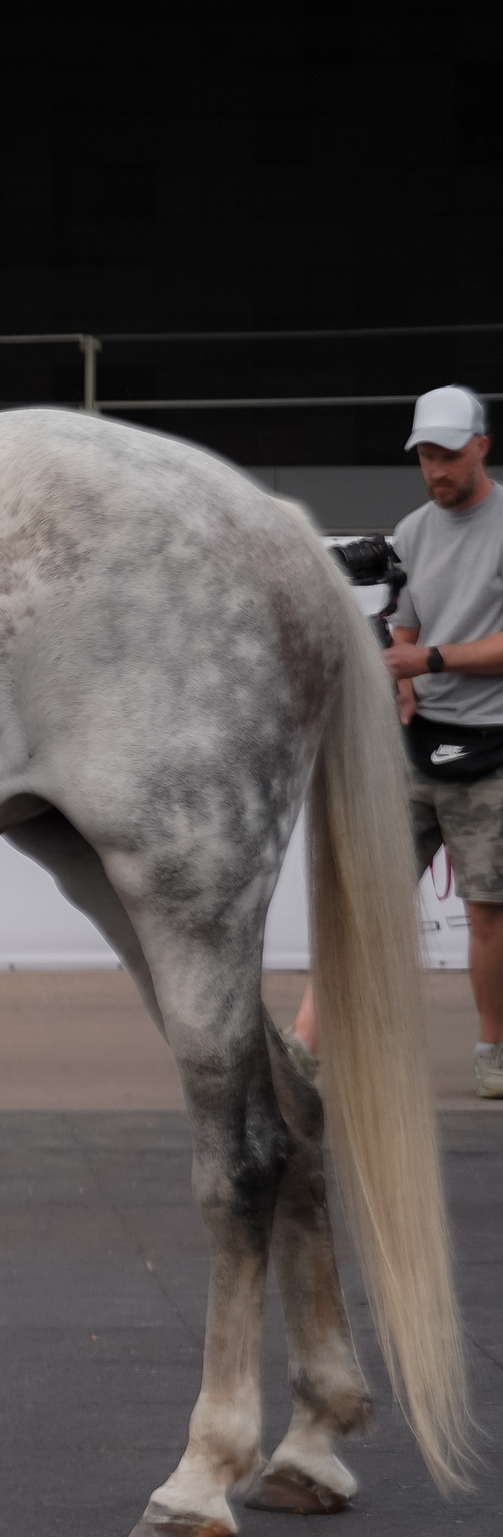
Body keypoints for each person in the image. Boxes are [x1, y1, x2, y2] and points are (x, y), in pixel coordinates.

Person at [293, 383, 503, 1099]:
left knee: (486, 912)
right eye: (424, 456)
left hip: (492, 749)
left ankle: (492, 1048)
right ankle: (303, 1048)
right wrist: (407, 675)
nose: (435, 469)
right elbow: (406, 624)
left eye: (447, 454)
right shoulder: (412, 529)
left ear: (483, 445)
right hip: (413, 745)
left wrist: (429, 662)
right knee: (360, 901)